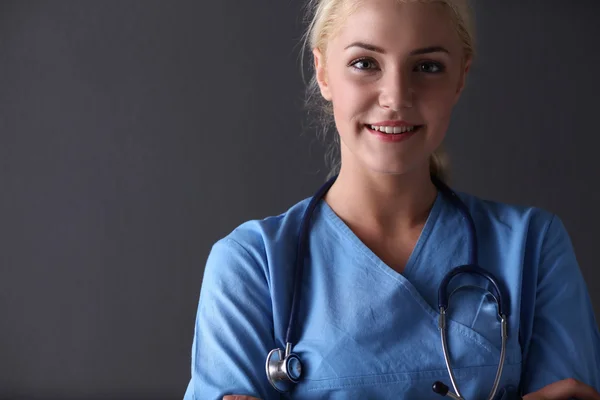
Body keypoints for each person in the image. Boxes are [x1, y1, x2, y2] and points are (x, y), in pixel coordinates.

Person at [183, 0, 600, 399]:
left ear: (460, 76)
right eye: (365, 63)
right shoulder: (252, 265)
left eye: (427, 66)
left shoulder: (533, 248)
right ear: (323, 71)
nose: (396, 97)